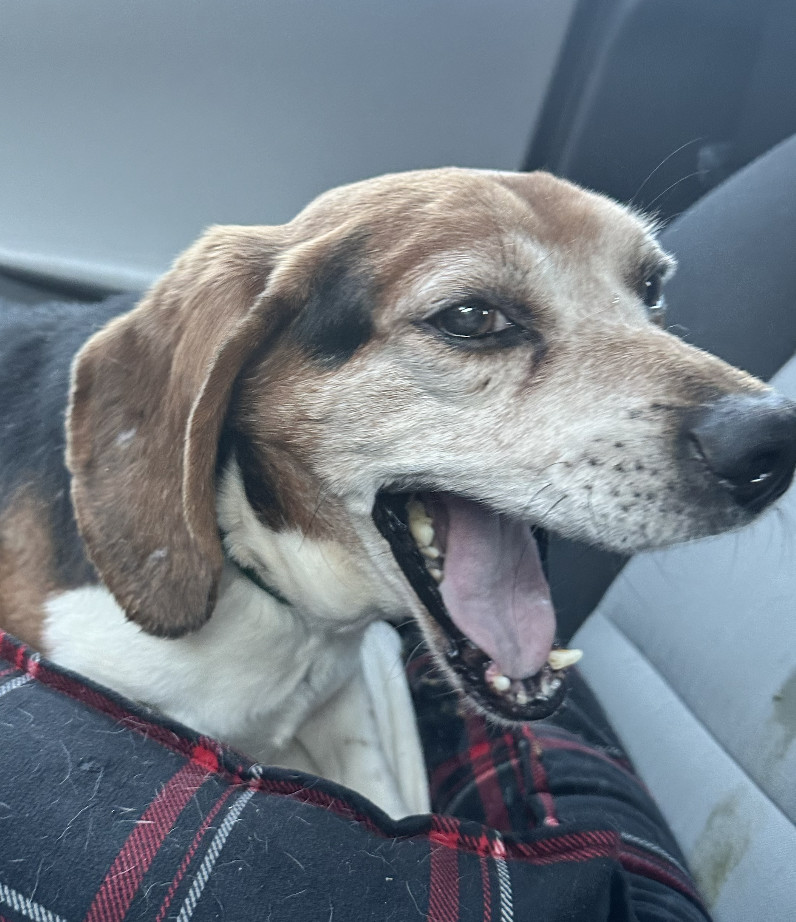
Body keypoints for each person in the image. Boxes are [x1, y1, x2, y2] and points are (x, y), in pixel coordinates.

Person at [1, 137, 795, 922]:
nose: (744, 414)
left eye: (645, 290)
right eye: (474, 317)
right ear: (260, 370)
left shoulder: (383, 559)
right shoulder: (80, 630)